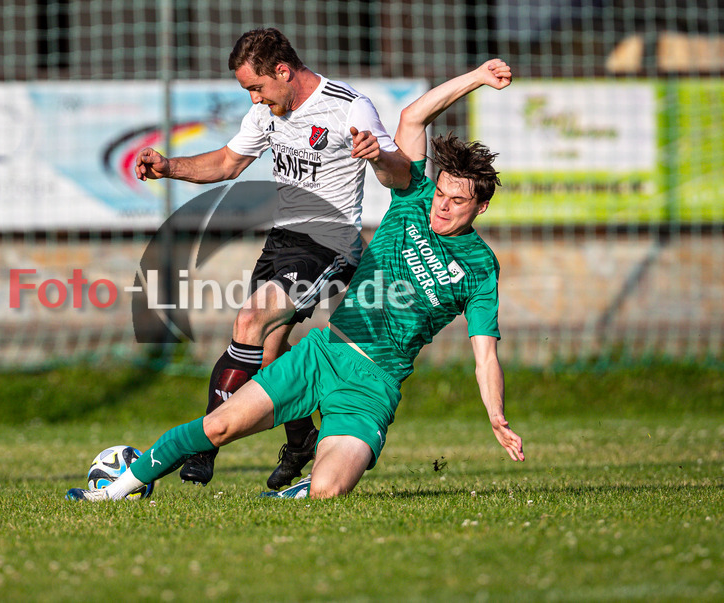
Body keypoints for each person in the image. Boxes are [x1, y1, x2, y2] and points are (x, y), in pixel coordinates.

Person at [68, 58, 524, 501]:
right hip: (323, 354)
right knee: (221, 423)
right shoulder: (414, 200)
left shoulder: (481, 268)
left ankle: (301, 478)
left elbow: (485, 356)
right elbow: (413, 116)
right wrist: (477, 76)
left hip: (372, 387)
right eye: (441, 193)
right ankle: (113, 491)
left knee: (328, 489)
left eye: (456, 202)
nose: (442, 206)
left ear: (480, 207)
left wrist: (496, 415)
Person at [134, 28, 409, 488]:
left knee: (250, 320)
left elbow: (401, 174)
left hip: (331, 243)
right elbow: (228, 162)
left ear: (283, 71)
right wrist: (169, 168)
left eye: (257, 88)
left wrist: (379, 155)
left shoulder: (349, 107)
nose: (255, 99)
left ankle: (203, 446)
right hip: (283, 241)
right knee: (269, 353)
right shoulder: (266, 111)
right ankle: (300, 441)